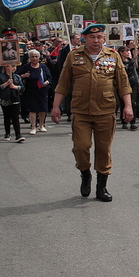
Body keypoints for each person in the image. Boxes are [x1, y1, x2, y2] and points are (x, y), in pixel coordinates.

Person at [51, 23, 133, 202]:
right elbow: (63, 83)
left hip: (105, 110)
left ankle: (101, 186)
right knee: (81, 146)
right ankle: (85, 173)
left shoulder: (113, 56)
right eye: (92, 37)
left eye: (99, 37)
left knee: (104, 149)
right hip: (81, 111)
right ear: (84, 38)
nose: (96, 40)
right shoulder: (74, 56)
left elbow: (123, 83)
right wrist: (56, 106)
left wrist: (128, 106)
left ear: (103, 38)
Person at [19, 49, 52, 135]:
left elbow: (49, 77)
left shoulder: (43, 67)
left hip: (42, 90)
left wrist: (47, 82)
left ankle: (41, 125)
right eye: (32, 57)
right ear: (29, 58)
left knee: (42, 109)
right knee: (32, 109)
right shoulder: (26, 67)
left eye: (36, 57)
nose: (34, 58)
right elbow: (18, 75)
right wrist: (24, 76)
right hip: (31, 90)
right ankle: (33, 126)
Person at [0, 63, 25, 142]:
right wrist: (6, 84)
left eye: (15, 66)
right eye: (12, 66)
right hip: (5, 99)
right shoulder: (0, 77)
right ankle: (7, 133)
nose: (14, 68)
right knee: (7, 117)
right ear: (6, 67)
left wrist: (15, 87)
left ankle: (18, 135)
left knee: (15, 117)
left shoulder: (17, 77)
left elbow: (22, 87)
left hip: (15, 98)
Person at [117, 46, 139, 130]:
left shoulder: (131, 62)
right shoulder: (118, 62)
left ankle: (133, 122)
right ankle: (124, 121)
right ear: (121, 52)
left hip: (132, 83)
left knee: (132, 103)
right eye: (126, 51)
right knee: (123, 103)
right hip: (122, 84)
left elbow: (135, 73)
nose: (128, 53)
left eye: (128, 51)